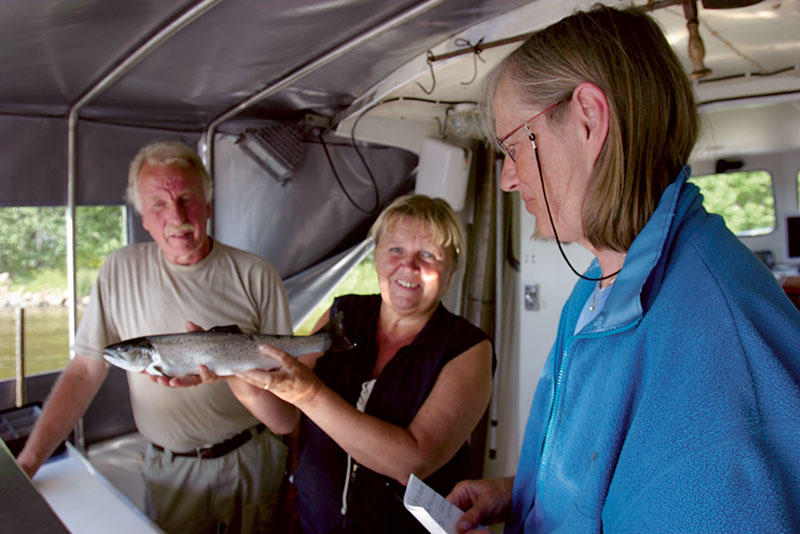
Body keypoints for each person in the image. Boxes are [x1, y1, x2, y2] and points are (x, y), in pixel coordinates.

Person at [447, 5, 800, 533]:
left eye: (514, 146)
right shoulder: (602, 284)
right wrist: (525, 497)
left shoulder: (717, 359)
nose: (507, 178)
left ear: (589, 117)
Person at [17, 141, 297, 533]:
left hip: (251, 461)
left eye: (187, 199)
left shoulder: (256, 273)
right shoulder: (118, 270)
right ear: (143, 218)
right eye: (159, 205)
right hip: (168, 470)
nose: (177, 216)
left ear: (209, 205)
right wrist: (29, 461)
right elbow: (84, 370)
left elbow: (287, 389)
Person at [227, 194, 495, 533]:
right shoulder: (344, 314)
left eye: (427, 255)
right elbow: (286, 417)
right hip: (315, 523)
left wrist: (310, 394)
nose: (408, 266)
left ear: (452, 269)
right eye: (395, 249)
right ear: (377, 255)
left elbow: (412, 462)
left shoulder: (468, 347)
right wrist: (234, 373)